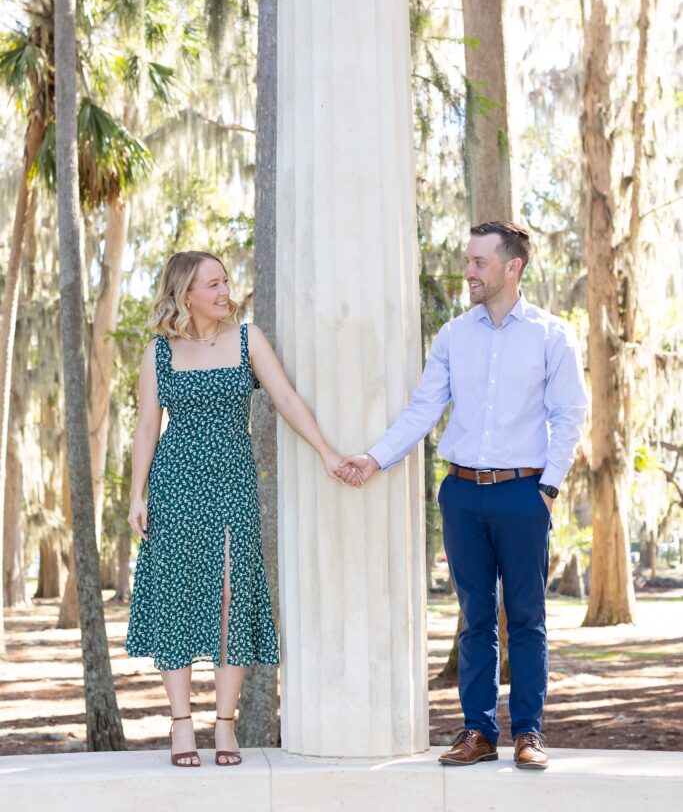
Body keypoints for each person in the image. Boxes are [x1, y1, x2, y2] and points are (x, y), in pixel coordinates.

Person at [338, 221, 588, 770]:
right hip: (462, 493)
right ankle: (478, 732)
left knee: (525, 617)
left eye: (479, 262)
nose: (468, 271)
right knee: (474, 617)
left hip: (524, 493)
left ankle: (528, 733)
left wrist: (547, 489)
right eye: (468, 261)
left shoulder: (552, 335)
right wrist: (376, 456)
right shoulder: (454, 335)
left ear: (512, 267)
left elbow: (570, 417)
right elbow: (424, 408)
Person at [126, 250, 359, 768]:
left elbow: (286, 398)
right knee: (178, 598)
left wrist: (325, 450)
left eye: (225, 281)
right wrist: (137, 494)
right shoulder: (159, 353)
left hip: (232, 481)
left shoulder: (248, 340)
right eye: (213, 284)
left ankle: (224, 725)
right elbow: (146, 425)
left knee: (232, 593)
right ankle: (181, 724)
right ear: (186, 293)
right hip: (175, 485)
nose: (225, 291)